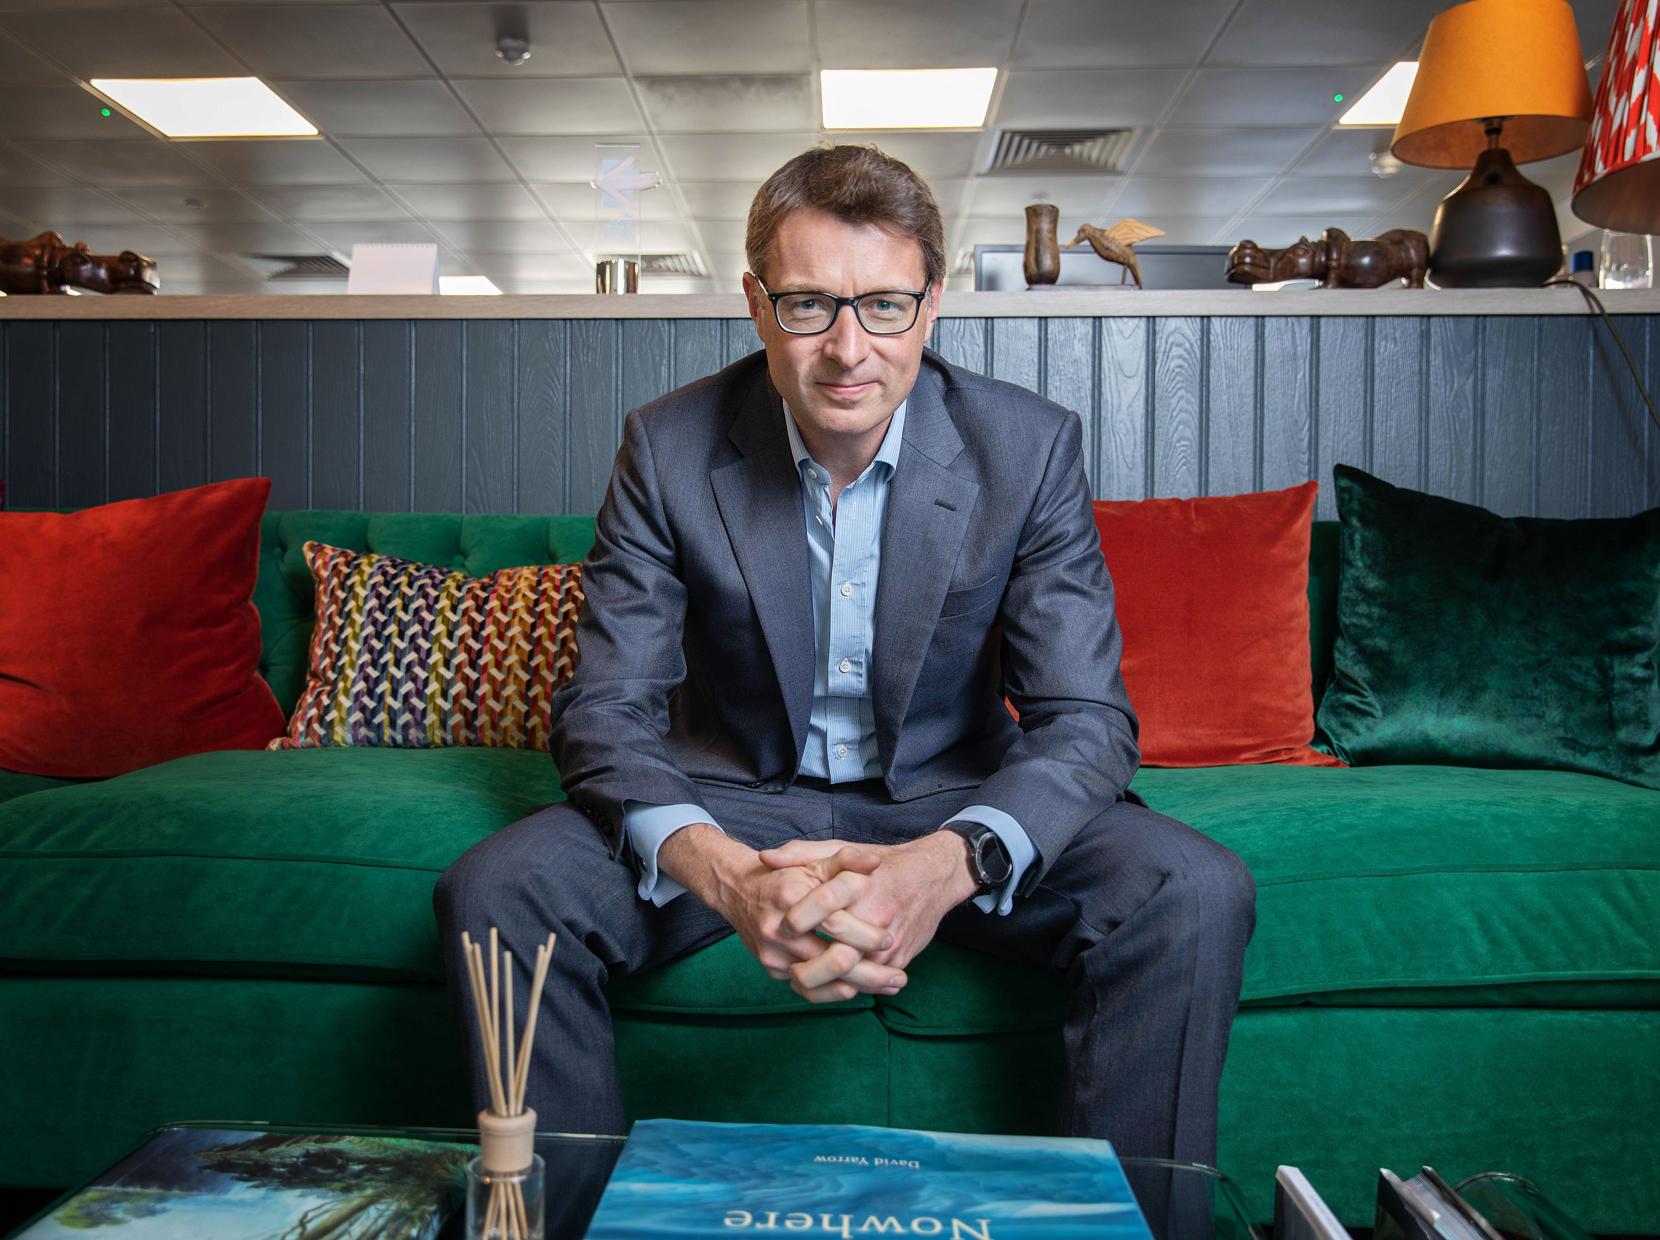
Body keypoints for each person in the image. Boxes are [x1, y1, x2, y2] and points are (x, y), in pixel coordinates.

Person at [434, 144, 1255, 1166]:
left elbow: (1086, 722)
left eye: (883, 305)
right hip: (731, 794)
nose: (848, 348)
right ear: (755, 304)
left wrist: (945, 864)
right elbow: (604, 711)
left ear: (932, 305)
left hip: (947, 796)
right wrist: (731, 879)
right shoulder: (666, 444)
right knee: (497, 890)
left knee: (1193, 887)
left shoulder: (1027, 446)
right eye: (809, 304)